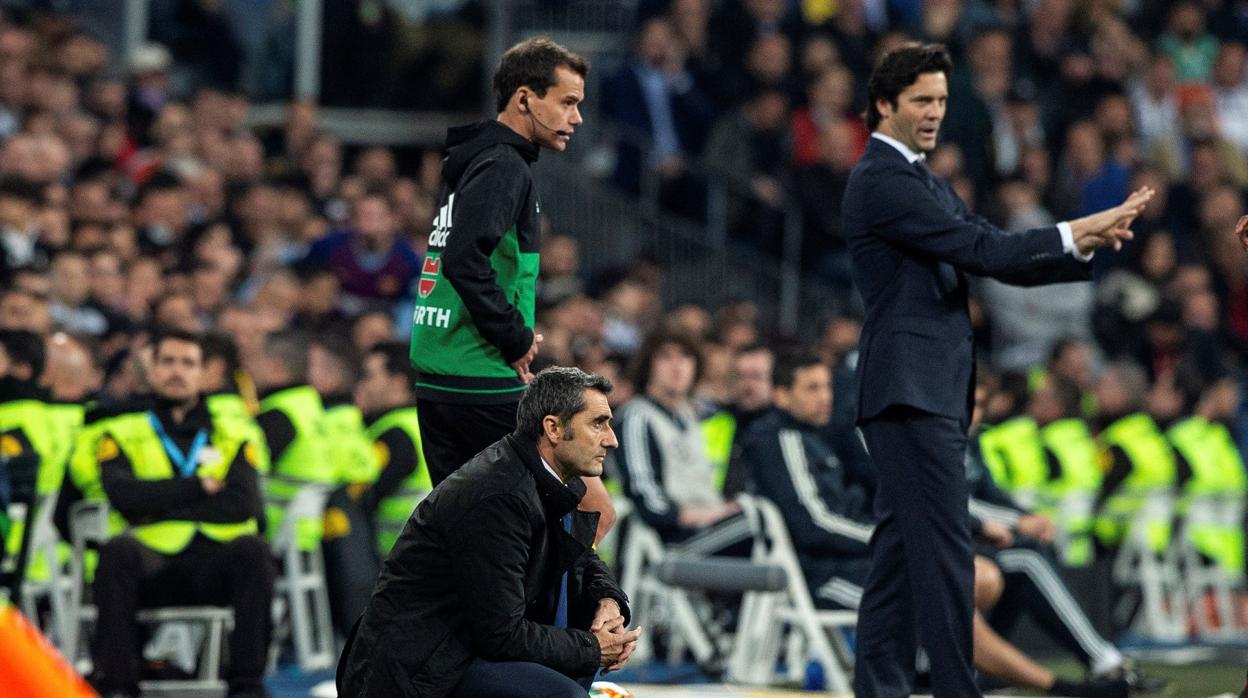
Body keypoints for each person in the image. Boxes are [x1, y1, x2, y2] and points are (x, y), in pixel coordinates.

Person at [842, 42, 1152, 696]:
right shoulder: (881, 178)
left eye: (942, 101)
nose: (934, 112)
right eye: (922, 100)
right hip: (911, 391)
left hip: (926, 391)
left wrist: (1080, 242)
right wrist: (1075, 232)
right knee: (947, 559)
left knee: (899, 563)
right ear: (884, 103)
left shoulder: (925, 180)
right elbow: (983, 249)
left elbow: (994, 246)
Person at [742, 350, 1132, 697]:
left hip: (859, 559)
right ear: (780, 394)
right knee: (948, 586)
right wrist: (897, 541)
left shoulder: (819, 437)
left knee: (973, 577)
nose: (824, 397)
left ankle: (958, 670)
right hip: (824, 574)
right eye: (811, 388)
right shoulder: (781, 439)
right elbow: (816, 523)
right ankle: (1056, 686)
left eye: (826, 387)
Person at [409, 36, 615, 540]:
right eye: (567, 102)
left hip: (444, 373)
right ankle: (534, 620)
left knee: (470, 536)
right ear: (525, 98)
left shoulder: (472, 161)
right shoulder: (504, 165)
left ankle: (485, 618)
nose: (577, 118)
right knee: (589, 511)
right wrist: (515, 337)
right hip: (480, 378)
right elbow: (464, 257)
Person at [337, 367, 640, 697]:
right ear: (553, 428)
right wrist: (592, 647)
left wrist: (607, 602)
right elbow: (501, 635)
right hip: (415, 673)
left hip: (455, 654)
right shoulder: (499, 497)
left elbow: (579, 556)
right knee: (562, 693)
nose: (611, 439)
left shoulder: (546, 478)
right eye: (598, 423)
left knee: (574, 665)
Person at [86, 330, 273, 698]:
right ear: (151, 371)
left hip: (212, 564)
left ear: (204, 374)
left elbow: (242, 504)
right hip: (150, 563)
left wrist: (156, 502)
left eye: (188, 363)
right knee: (115, 552)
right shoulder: (120, 430)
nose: (177, 371)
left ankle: (247, 687)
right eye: (167, 361)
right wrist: (198, 487)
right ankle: (119, 687)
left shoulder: (233, 432)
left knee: (254, 550)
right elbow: (124, 496)